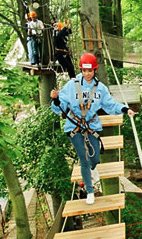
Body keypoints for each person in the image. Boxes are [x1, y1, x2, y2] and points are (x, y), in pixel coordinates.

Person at [50, 52, 136, 204]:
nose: (87, 74)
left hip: (91, 124)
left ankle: (93, 167)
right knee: (83, 158)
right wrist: (56, 99)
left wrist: (125, 109)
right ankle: (90, 191)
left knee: (94, 158)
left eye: (90, 71)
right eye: (84, 70)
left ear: (94, 70)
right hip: (74, 126)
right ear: (81, 70)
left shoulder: (100, 89)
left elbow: (110, 104)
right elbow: (60, 108)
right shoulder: (71, 86)